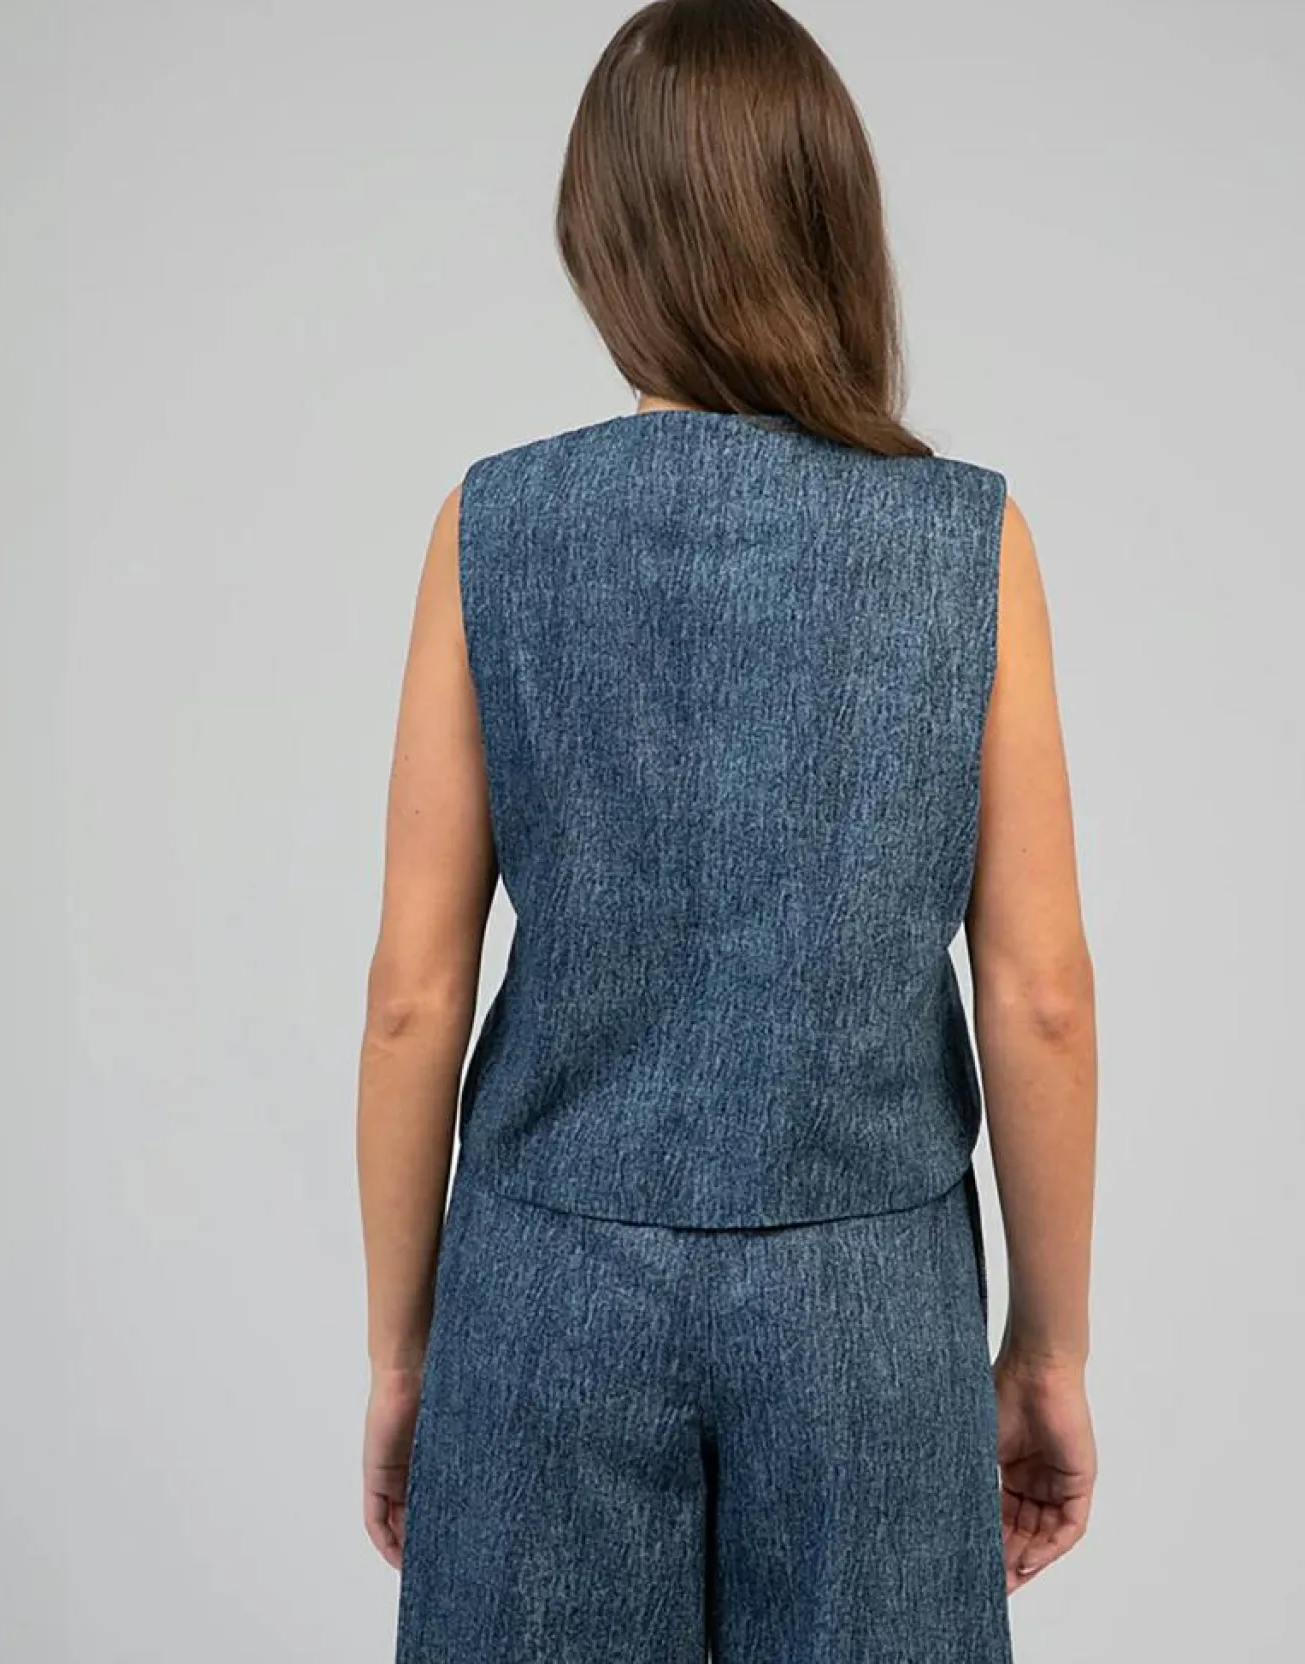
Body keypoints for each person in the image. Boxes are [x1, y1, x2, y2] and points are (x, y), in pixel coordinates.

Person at [356, 1, 1098, 1659]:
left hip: (546, 1293)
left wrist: (408, 1354)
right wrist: (1047, 1354)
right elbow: (1039, 991)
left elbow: (414, 994)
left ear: (602, 238)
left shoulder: (492, 528)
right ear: (831, 221)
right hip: (871, 1307)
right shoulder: (968, 542)